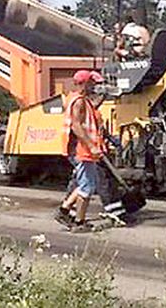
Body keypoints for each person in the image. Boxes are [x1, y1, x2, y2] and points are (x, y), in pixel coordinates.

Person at [56, 69, 107, 231]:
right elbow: (76, 125)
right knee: (87, 187)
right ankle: (79, 222)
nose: (94, 85)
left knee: (84, 183)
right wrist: (91, 146)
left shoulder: (76, 99)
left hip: (80, 149)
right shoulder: (78, 101)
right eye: (92, 82)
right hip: (82, 150)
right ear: (84, 83)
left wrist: (103, 98)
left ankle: (64, 210)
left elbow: (89, 112)